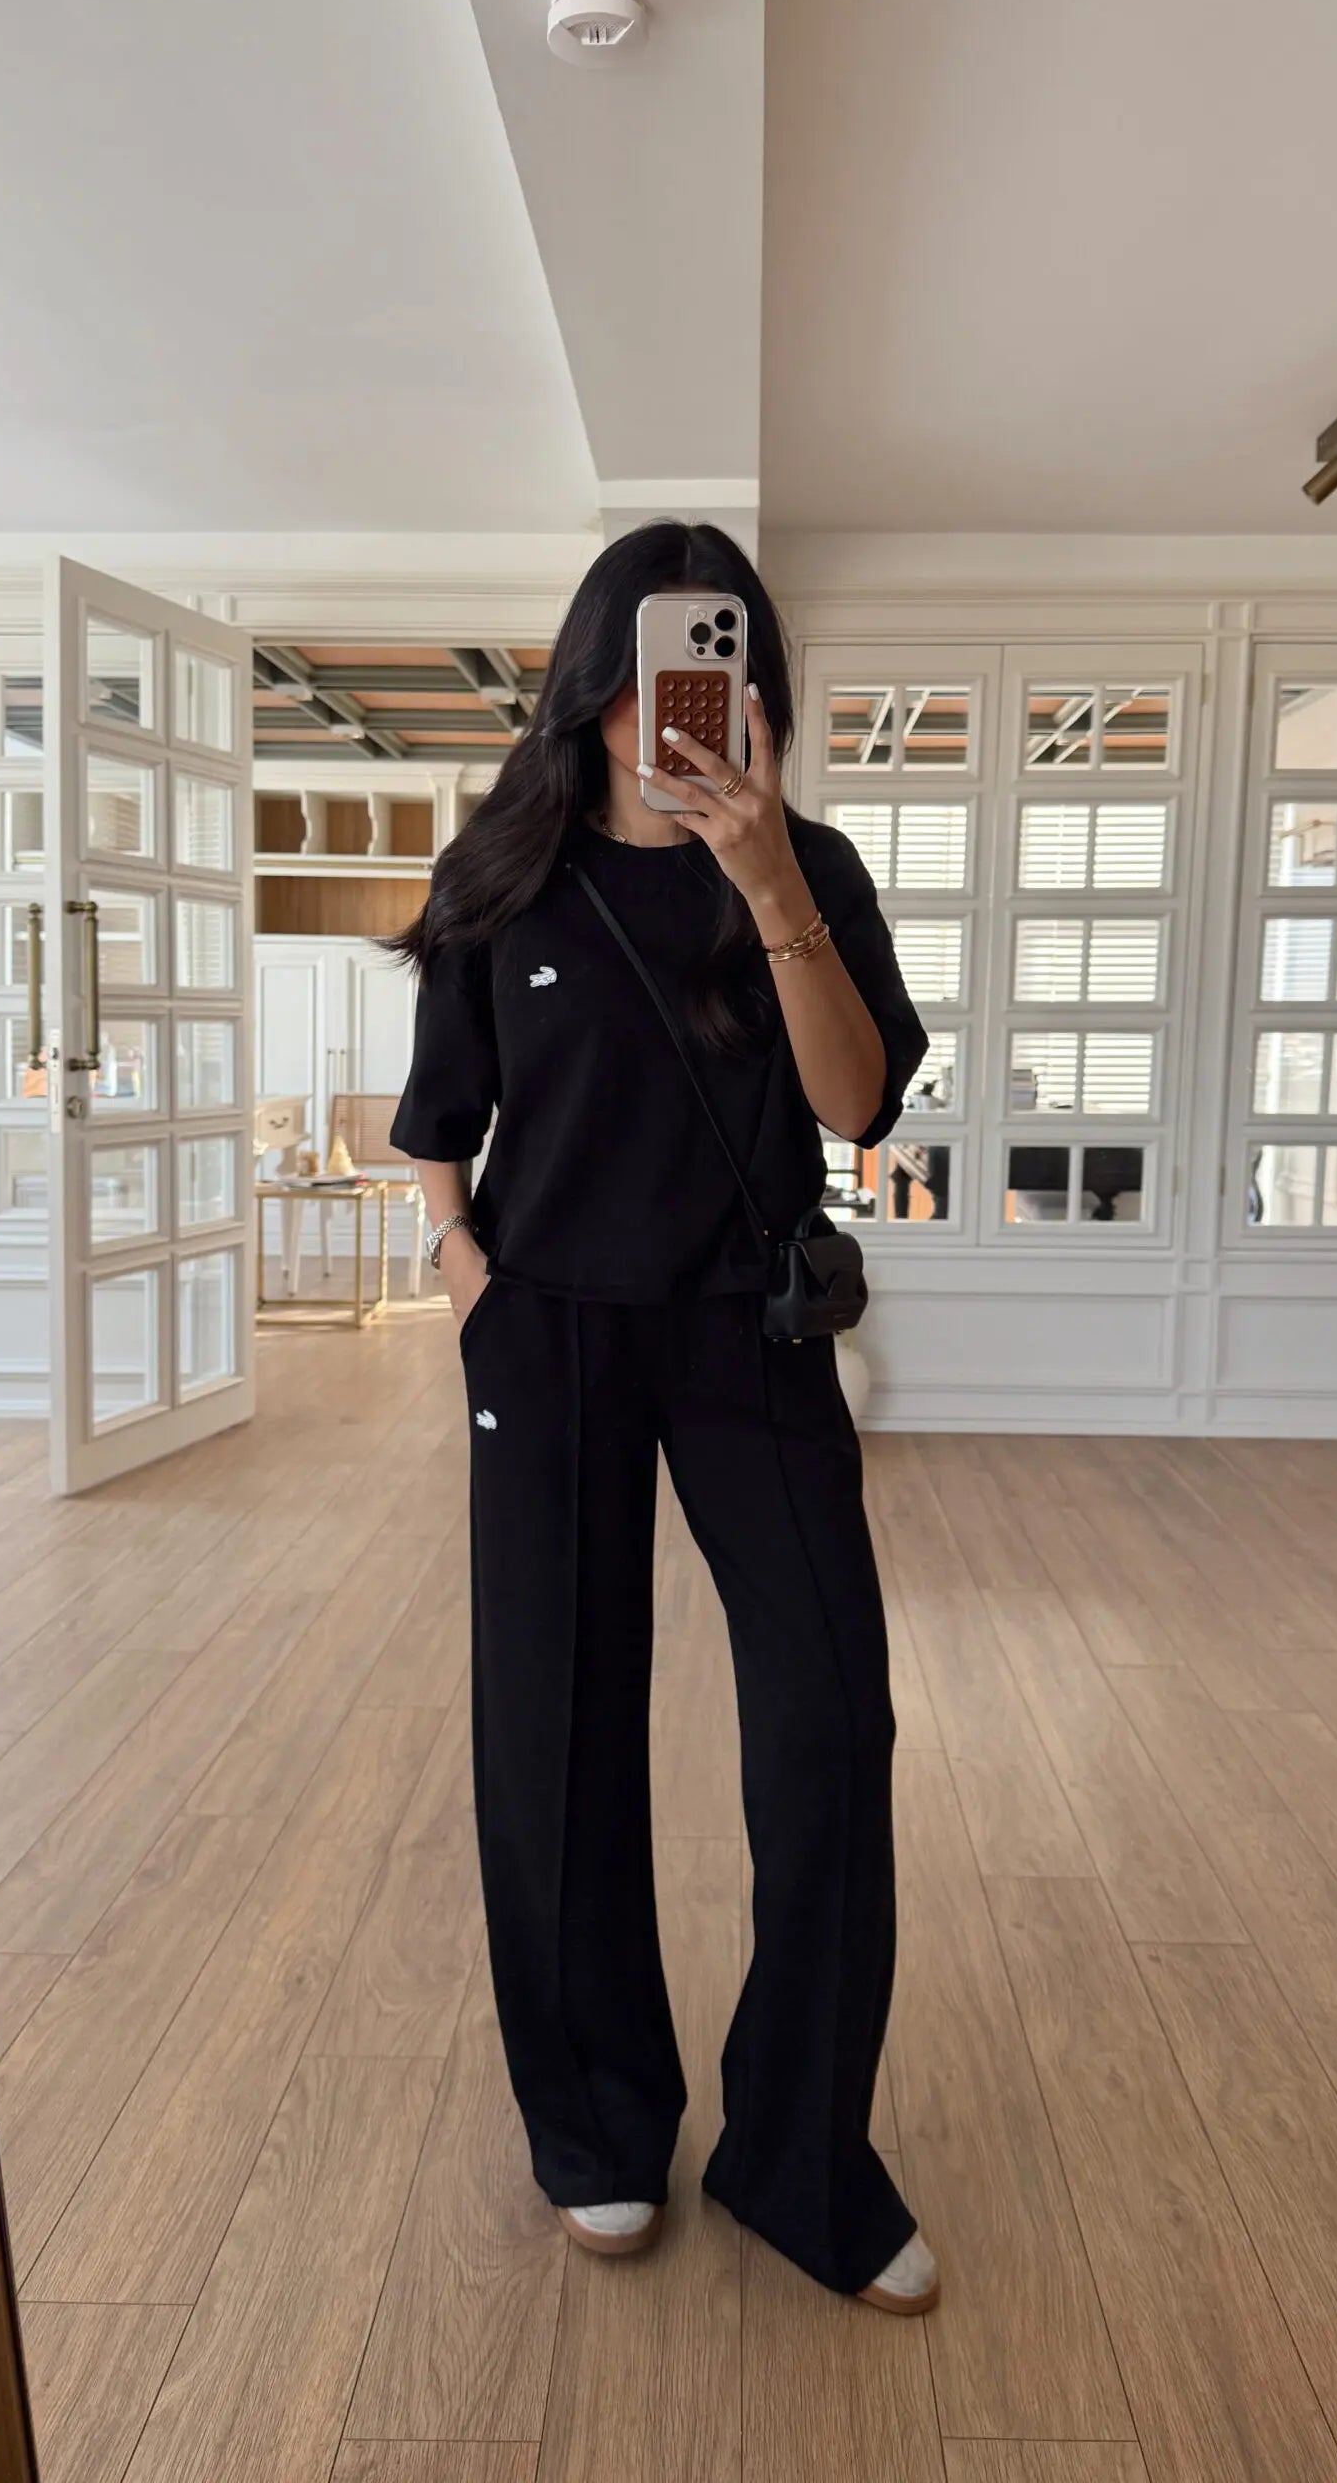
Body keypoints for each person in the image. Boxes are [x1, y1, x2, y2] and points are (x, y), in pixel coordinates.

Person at [389, 521, 938, 2315]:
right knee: (551, 1732)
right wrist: (466, 1274)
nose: (668, 703)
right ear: (588, 680)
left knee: (831, 1723)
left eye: (711, 661)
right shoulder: (505, 874)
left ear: (753, 688)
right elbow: (438, 1121)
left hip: (747, 1335)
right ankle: (599, 2126)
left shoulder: (813, 867)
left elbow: (857, 1107)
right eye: (638, 665)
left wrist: (765, 876)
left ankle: (799, 2155)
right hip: (544, 1334)